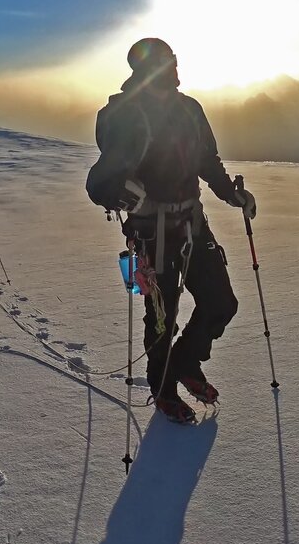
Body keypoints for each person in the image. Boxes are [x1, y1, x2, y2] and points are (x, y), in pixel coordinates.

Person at [85, 37, 257, 424]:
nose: (175, 68)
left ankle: (184, 362)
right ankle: (162, 385)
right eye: (168, 63)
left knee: (221, 302)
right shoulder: (129, 115)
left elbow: (206, 161)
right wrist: (122, 192)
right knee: (163, 316)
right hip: (152, 230)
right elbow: (102, 180)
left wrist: (233, 195)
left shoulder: (189, 110)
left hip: (191, 222)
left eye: (173, 61)